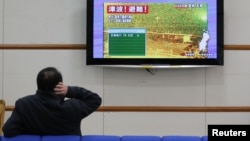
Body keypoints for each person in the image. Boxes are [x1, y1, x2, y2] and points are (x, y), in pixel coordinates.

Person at [2, 67, 102, 137]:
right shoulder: (73, 106)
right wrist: (70, 90)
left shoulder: (23, 104)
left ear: (38, 84)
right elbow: (95, 100)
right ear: (60, 86)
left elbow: (8, 131)